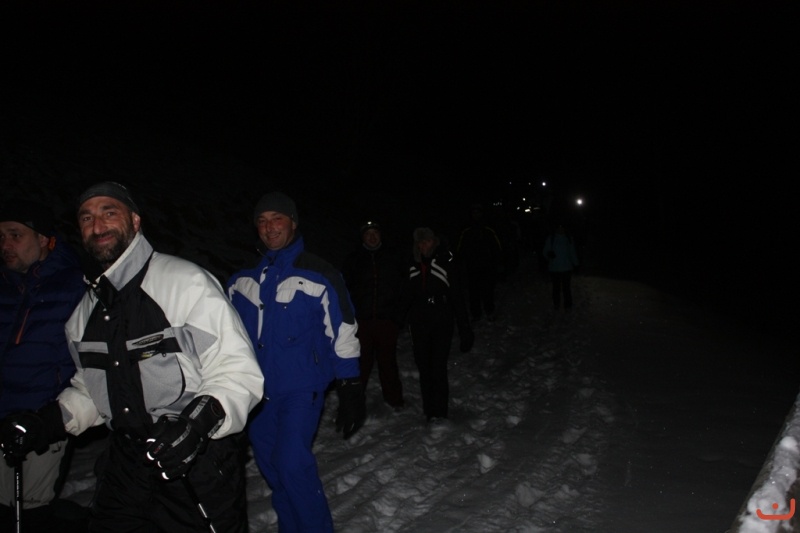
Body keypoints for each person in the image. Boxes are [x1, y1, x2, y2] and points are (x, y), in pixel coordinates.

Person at [0, 181, 264, 533]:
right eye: (86, 218)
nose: (97, 225)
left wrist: (194, 426)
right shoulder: (84, 313)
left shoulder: (185, 283)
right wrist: (44, 422)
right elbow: (91, 390)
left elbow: (237, 371)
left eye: (109, 213)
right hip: (125, 466)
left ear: (135, 221)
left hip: (194, 460)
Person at [226, 191, 366, 533]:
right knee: (273, 470)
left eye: (277, 219)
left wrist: (350, 385)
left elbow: (343, 331)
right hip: (258, 395)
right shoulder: (241, 282)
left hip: (302, 389)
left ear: (293, 223)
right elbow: (225, 338)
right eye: (262, 221)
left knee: (292, 465)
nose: (269, 227)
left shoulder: (319, 274)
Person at [0, 200, 87, 532]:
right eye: (1, 237)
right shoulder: (4, 284)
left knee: (30, 511)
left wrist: (53, 413)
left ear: (44, 239)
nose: (6, 245)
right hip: (2, 411)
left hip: (41, 420)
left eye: (15, 235)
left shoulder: (75, 285)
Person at [395, 227, 473, 423]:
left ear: (434, 241)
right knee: (424, 367)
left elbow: (457, 297)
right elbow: (406, 294)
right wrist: (397, 319)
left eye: (427, 241)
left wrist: (465, 329)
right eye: (420, 242)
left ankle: (440, 412)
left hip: (441, 319)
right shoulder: (413, 264)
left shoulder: (446, 262)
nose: (424, 246)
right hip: (419, 321)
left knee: (438, 366)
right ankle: (429, 410)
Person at [341, 220, 406, 411]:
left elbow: (403, 288)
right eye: (368, 234)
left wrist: (398, 317)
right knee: (361, 363)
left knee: (388, 363)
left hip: (387, 320)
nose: (372, 237)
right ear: (362, 237)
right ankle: (354, 403)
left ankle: (394, 400)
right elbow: (344, 289)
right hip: (362, 321)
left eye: (375, 233)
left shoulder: (392, 258)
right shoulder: (354, 259)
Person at [455, 203, 503, 322]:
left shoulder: (488, 228)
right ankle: (476, 314)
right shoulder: (466, 230)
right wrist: (459, 260)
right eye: (474, 213)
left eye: (478, 212)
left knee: (488, 290)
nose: (476, 215)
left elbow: (496, 246)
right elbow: (460, 248)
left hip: (487, 265)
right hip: (472, 266)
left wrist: (497, 261)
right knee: (474, 291)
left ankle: (489, 310)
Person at [542, 220, 580, 311]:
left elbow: (572, 252)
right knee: (556, 288)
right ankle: (556, 304)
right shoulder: (551, 238)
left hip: (566, 268)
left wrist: (576, 264)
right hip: (554, 268)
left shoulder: (568, 238)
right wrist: (548, 254)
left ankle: (568, 305)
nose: (560, 229)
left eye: (562, 227)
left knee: (566, 288)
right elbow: (545, 251)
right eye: (559, 227)